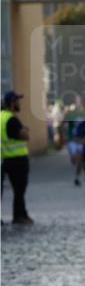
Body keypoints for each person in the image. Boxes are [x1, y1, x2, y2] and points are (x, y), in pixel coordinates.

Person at [1, 90, 33, 225]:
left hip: (3, 159)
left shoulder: (1, 117)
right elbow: (24, 136)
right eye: (17, 101)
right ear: (12, 103)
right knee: (19, 189)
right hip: (17, 159)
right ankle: (19, 215)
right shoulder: (11, 119)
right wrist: (25, 130)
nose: (19, 103)